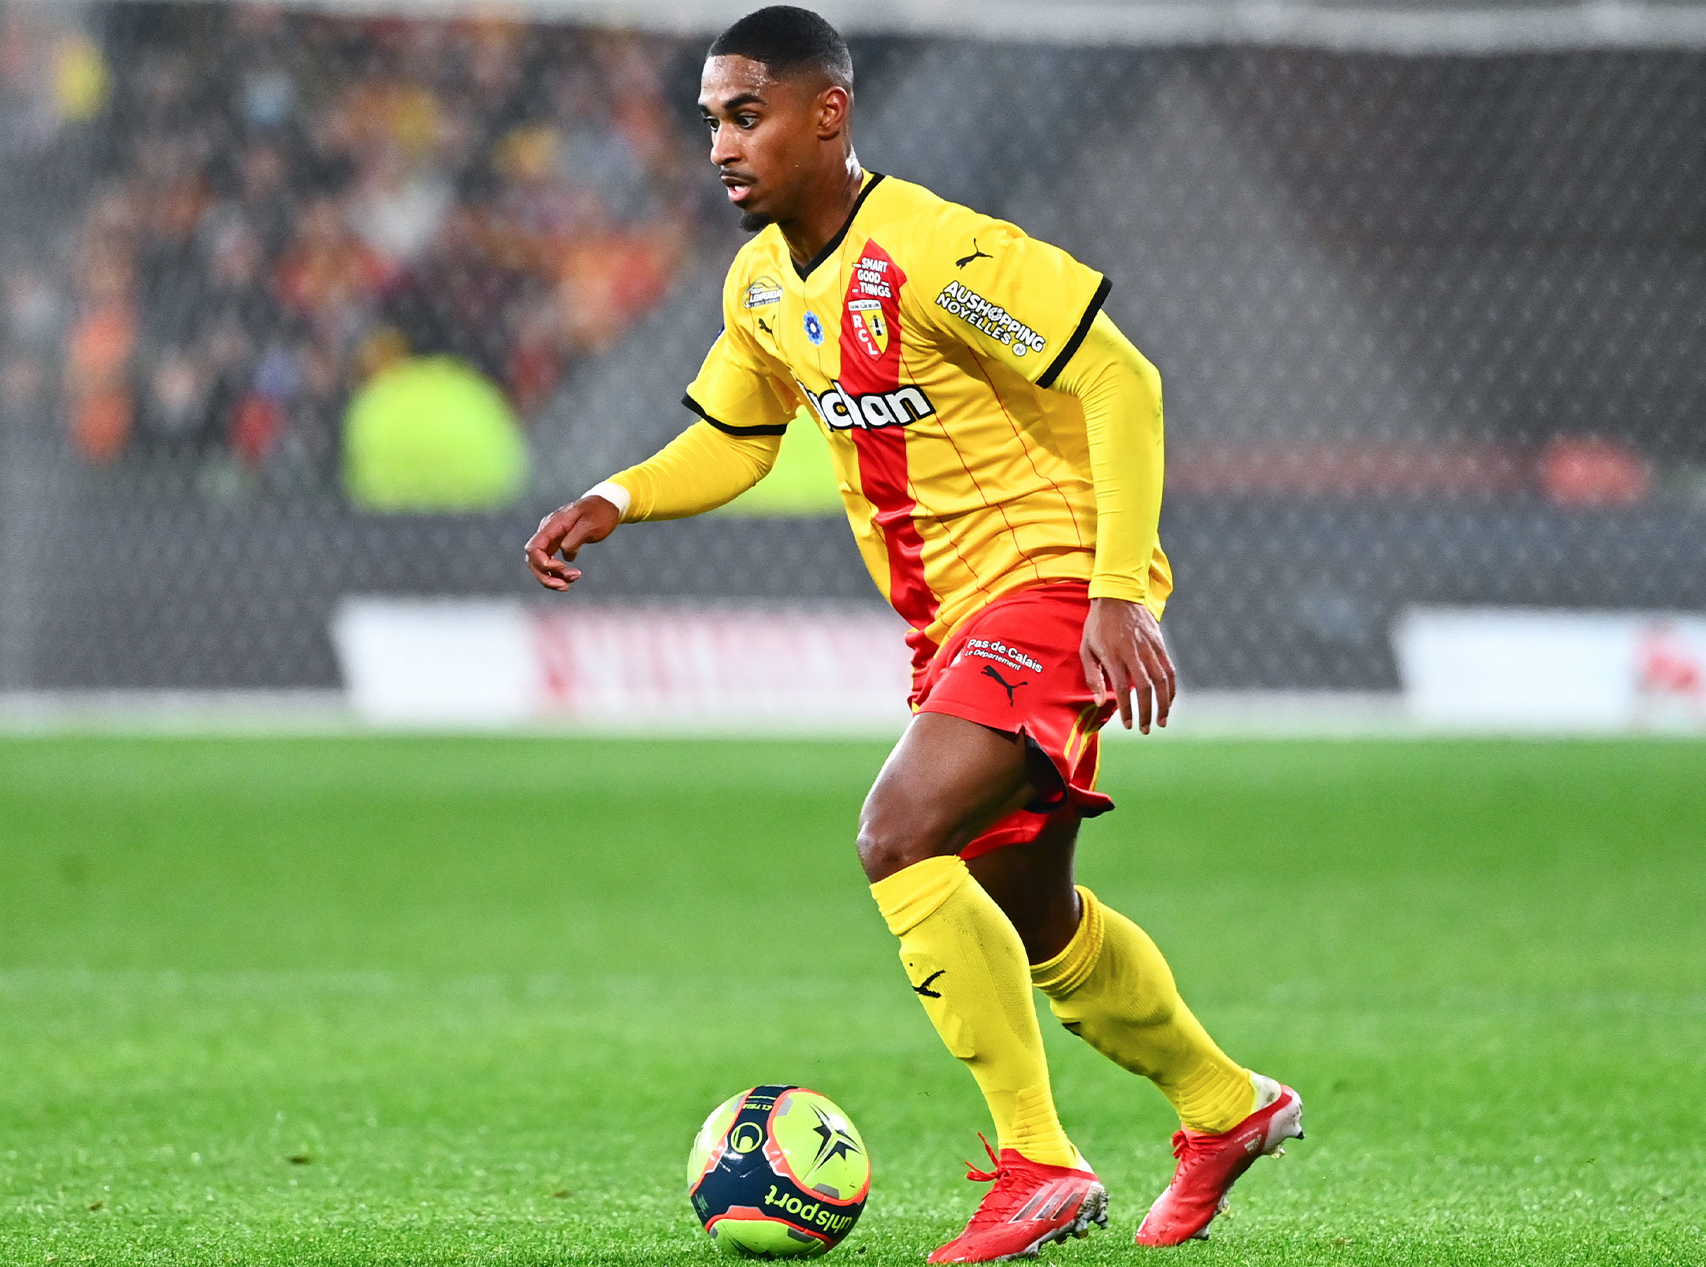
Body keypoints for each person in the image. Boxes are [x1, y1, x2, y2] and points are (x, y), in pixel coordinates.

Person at [524, 8, 1303, 1261]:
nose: (721, 145)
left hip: (1049, 580)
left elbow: (1122, 381)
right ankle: (1225, 1107)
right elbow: (733, 435)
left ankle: (1037, 1162)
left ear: (825, 112)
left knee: (898, 834)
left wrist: (1113, 589)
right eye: (711, 121)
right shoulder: (763, 282)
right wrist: (615, 496)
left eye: (746, 114)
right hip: (951, 623)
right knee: (1027, 907)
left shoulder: (939, 252)